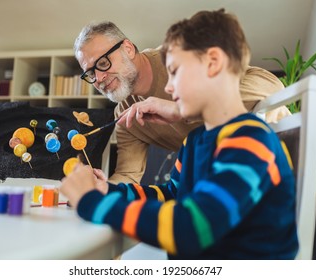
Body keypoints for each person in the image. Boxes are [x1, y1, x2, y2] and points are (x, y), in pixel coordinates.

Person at [60, 9, 298, 259]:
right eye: (90, 74)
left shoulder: (250, 140)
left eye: (174, 71)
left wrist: (92, 203)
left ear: (213, 63)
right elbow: (172, 193)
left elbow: (192, 228)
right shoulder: (195, 141)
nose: (169, 86)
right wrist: (107, 190)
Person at [73, 19, 290, 185]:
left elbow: (270, 84)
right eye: (89, 74)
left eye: (102, 63)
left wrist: (182, 109)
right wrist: (104, 188)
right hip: (223, 182)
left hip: (282, 161)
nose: (98, 79)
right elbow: (128, 175)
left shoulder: (179, 58)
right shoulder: (125, 114)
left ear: (128, 49)